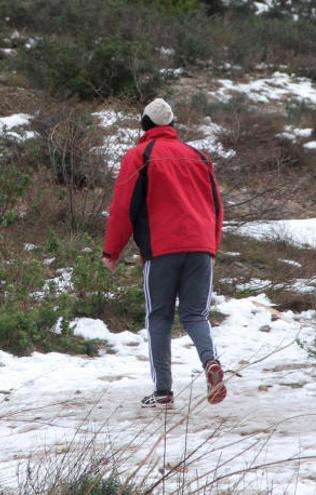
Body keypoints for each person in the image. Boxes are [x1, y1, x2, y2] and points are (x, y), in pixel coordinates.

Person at [102, 98, 226, 408]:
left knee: (159, 316)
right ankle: (210, 362)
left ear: (144, 125)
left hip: (161, 250)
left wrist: (112, 250)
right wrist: (211, 246)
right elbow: (217, 207)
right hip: (201, 248)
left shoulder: (139, 155)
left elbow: (123, 206)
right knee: (196, 315)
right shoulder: (199, 156)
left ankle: (163, 392)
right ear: (171, 126)